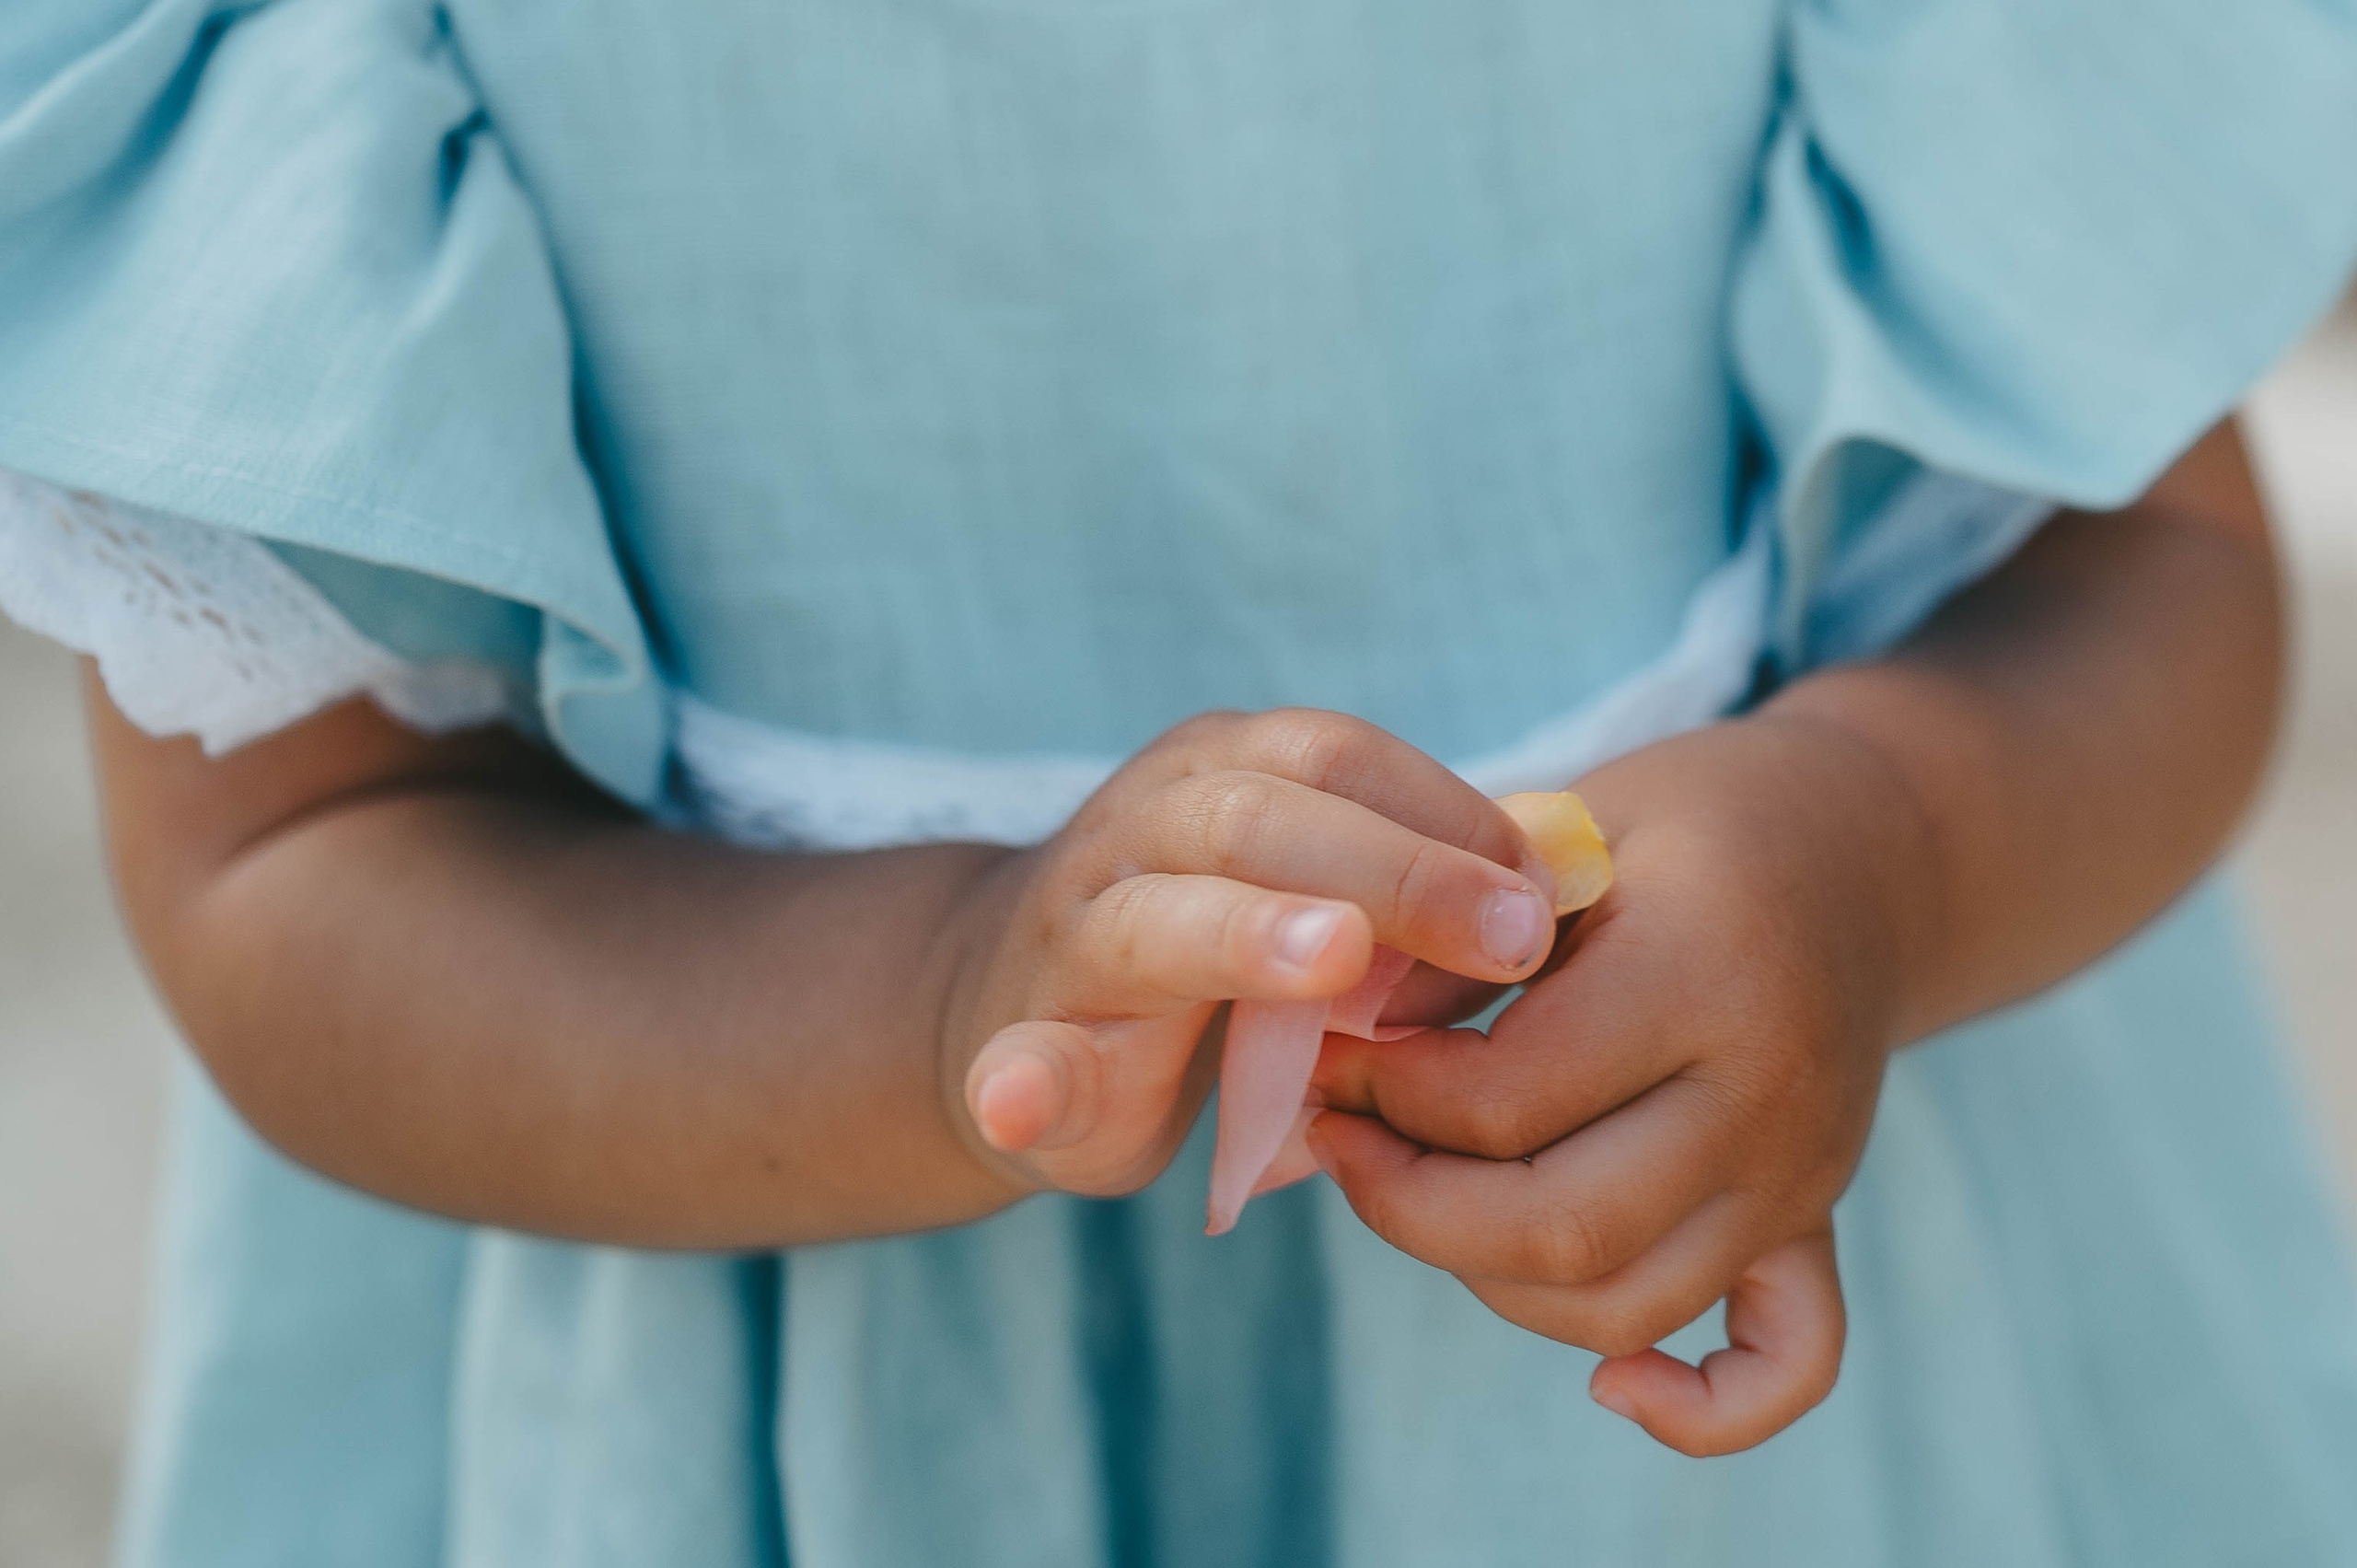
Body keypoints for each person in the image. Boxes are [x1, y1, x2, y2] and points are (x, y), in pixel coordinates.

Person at [3, 1, 2356, 1562]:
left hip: (1778, 1318)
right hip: (714, 1317)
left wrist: (1879, 847)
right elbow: (296, 863)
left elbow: (2149, 560)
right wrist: (939, 996)